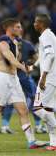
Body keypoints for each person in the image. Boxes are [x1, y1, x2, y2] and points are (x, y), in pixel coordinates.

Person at [0, 18, 46, 149]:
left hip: (13, 79)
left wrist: (27, 65)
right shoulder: (3, 43)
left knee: (23, 110)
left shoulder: (15, 43)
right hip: (2, 79)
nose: (20, 29)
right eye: (18, 27)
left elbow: (17, 62)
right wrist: (25, 68)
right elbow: (11, 60)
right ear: (10, 28)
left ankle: (31, 141)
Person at [33, 14, 56, 151]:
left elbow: (51, 55)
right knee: (48, 110)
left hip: (49, 78)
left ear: (41, 23)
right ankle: (54, 143)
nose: (34, 24)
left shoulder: (46, 36)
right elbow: (44, 56)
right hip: (52, 77)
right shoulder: (51, 36)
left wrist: (44, 76)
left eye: (36, 22)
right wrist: (34, 66)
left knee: (37, 108)